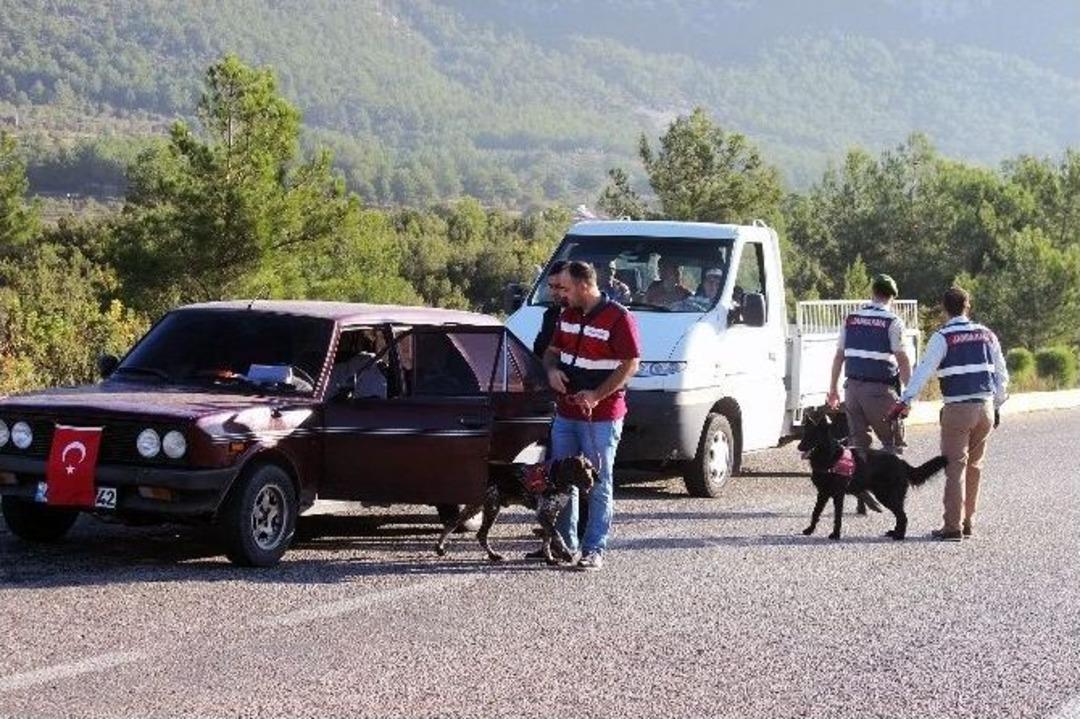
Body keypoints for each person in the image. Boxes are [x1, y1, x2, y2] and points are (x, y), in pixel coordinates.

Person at [886, 287, 1008, 542]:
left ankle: (952, 526)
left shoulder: (943, 337)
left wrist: (905, 400)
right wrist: (997, 405)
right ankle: (968, 522)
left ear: (944, 308)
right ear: (968, 306)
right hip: (985, 407)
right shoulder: (988, 335)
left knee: (955, 468)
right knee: (975, 467)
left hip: (957, 409)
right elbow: (1001, 373)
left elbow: (924, 370)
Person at [543, 260, 641, 571]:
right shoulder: (567, 315)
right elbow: (551, 352)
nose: (560, 294)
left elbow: (630, 364)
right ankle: (563, 544)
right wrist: (551, 371)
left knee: (598, 482)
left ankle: (594, 549)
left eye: (565, 288)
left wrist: (597, 395)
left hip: (601, 416)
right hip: (566, 412)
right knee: (561, 479)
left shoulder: (619, 317)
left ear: (584, 286)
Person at [827, 273, 912, 455]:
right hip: (880, 391)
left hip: (852, 390)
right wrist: (908, 396)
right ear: (892, 297)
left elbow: (839, 357)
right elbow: (903, 361)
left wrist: (833, 389)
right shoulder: (893, 322)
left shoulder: (851, 319)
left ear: (872, 292)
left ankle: (861, 473)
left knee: (858, 448)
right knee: (892, 445)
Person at [532, 260, 568, 357]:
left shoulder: (585, 318)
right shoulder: (549, 315)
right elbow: (538, 352)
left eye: (558, 287)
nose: (553, 293)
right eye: (551, 287)